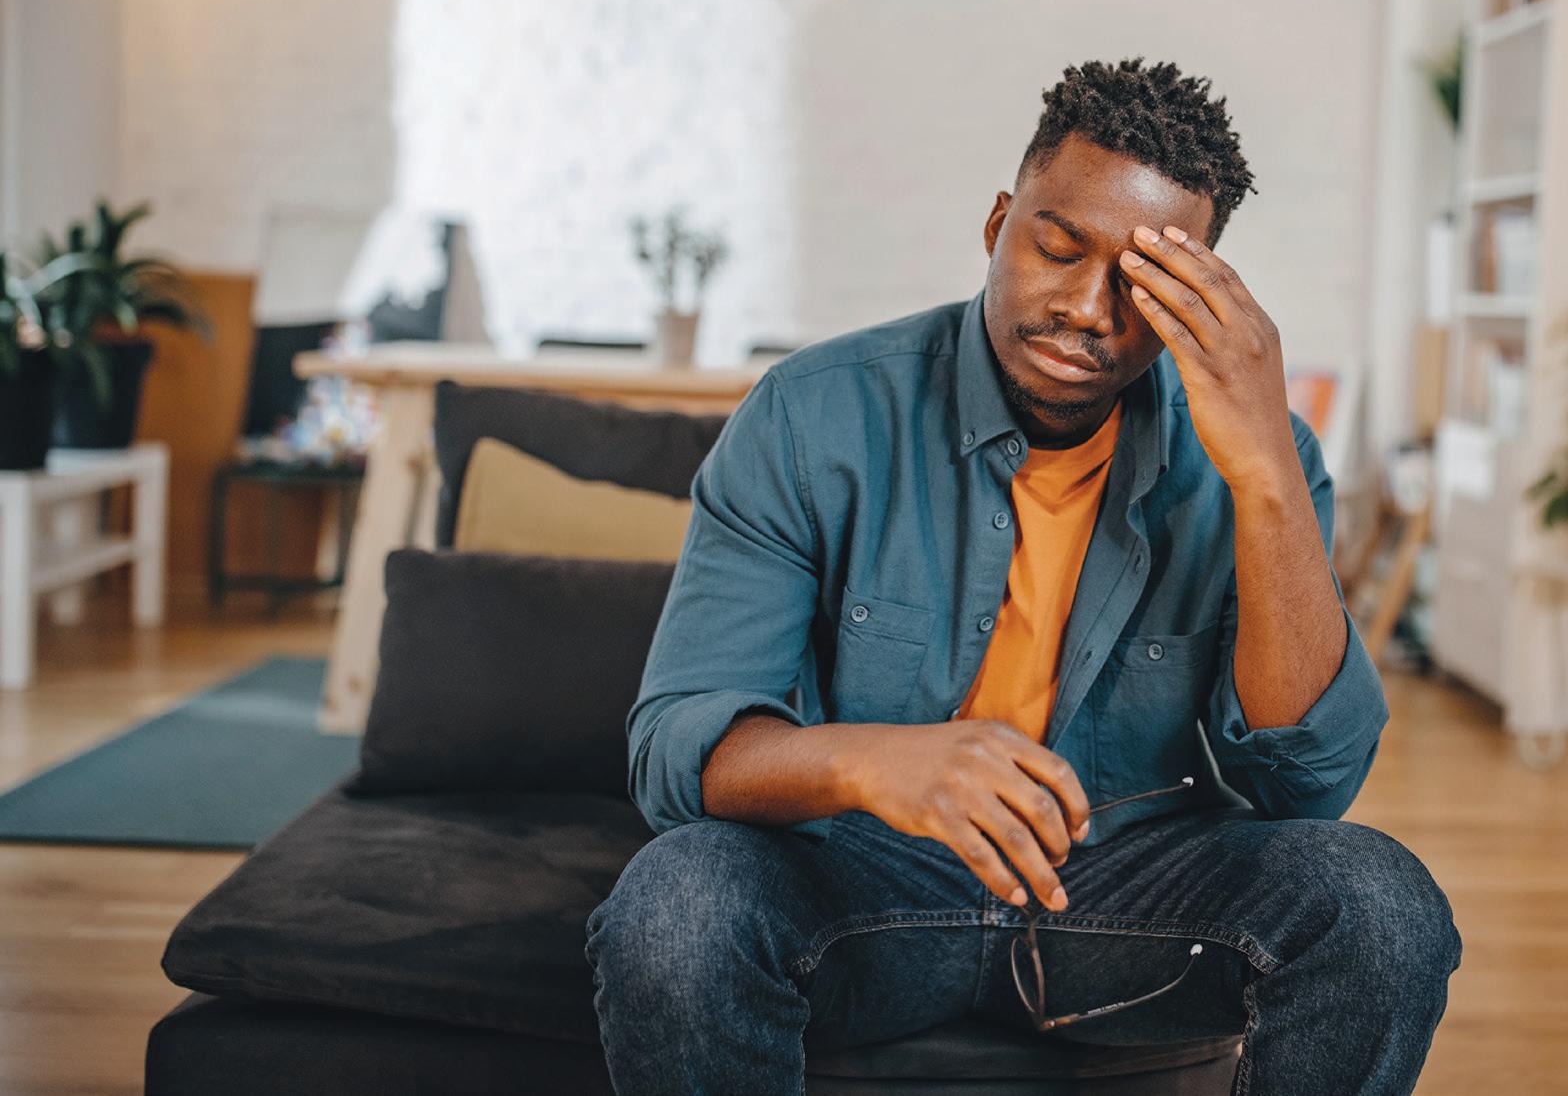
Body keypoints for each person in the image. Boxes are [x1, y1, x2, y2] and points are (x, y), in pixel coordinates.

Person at [585, 57, 1461, 1095]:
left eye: (1140, 283)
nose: (1088, 309)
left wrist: (1266, 476)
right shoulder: (812, 414)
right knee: (676, 907)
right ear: (998, 223)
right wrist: (873, 763)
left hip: (1123, 892)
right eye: (1056, 248)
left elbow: (1309, 786)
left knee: (1380, 906)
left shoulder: (1252, 458)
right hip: (860, 874)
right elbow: (677, 746)